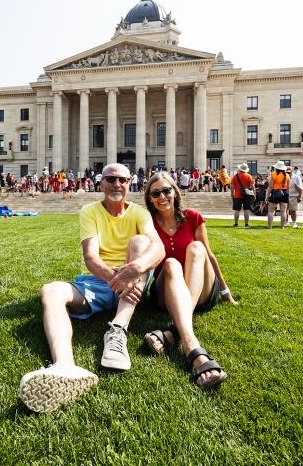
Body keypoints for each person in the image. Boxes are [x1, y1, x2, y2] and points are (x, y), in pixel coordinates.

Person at [18, 163, 165, 413]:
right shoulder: (90, 211)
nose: (116, 185)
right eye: (110, 179)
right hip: (102, 280)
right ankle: (65, 366)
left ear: (130, 183)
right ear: (101, 182)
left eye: (122, 180)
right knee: (51, 291)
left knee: (141, 242)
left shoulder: (140, 213)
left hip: (133, 277)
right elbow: (91, 257)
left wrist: (133, 269)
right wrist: (115, 279)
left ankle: (118, 329)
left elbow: (159, 249)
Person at [141, 171, 236, 389]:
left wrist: (225, 291)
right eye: (156, 193)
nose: (162, 196)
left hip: (200, 289)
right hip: (166, 292)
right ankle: (192, 348)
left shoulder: (192, 216)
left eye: (167, 190)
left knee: (197, 247)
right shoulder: (148, 224)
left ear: (175, 191)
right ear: (150, 199)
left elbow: (209, 256)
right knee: (171, 263)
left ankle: (175, 333)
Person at [265, 161, 289, 229]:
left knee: (271, 211)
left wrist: (267, 196)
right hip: (284, 193)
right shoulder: (287, 175)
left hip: (275, 192)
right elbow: (288, 187)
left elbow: (270, 186)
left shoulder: (274, 174)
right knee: (283, 211)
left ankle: (270, 226)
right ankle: (282, 227)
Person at [230, 163, 254, 227]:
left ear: (240, 169)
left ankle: (236, 223)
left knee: (237, 210)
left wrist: (232, 194)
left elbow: (232, 186)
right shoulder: (249, 176)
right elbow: (252, 187)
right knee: (247, 210)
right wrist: (254, 195)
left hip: (237, 195)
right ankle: (246, 224)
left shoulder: (235, 176)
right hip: (247, 195)